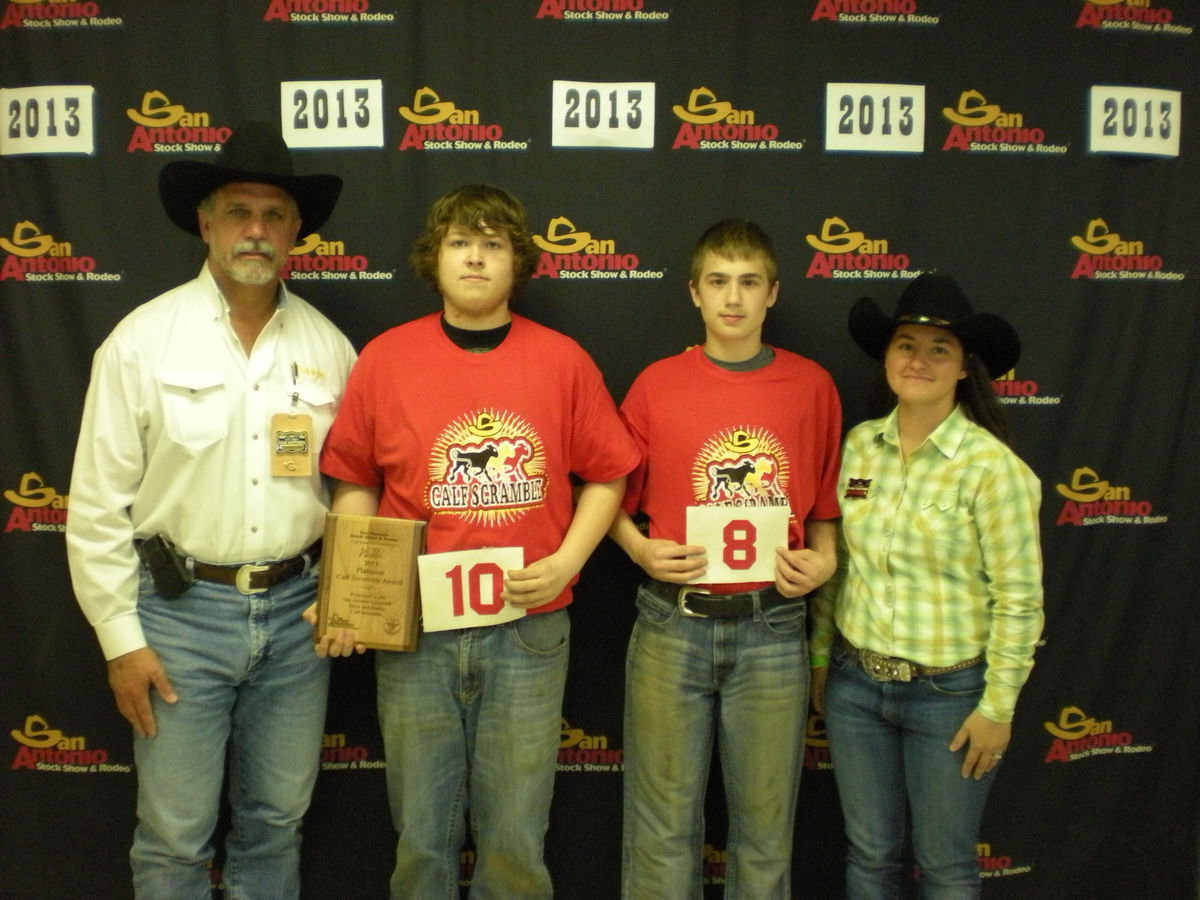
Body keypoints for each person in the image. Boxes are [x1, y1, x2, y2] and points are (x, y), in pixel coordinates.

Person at [314, 183, 640, 898]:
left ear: (516, 263)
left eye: (493, 244)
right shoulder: (386, 359)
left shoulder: (563, 361)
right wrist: (353, 587)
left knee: (516, 840)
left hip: (529, 627)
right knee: (421, 837)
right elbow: (356, 480)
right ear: (436, 258)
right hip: (418, 628)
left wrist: (565, 562)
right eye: (461, 242)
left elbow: (609, 475)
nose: (475, 258)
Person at [64, 121, 355, 899]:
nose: (255, 229)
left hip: (298, 620)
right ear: (205, 223)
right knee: (173, 836)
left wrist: (345, 592)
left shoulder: (332, 351)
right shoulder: (141, 343)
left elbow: (354, 492)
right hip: (177, 617)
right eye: (237, 211)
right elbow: (95, 507)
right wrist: (120, 640)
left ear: (297, 232)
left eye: (274, 214)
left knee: (276, 822)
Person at [611, 219, 843, 898]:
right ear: (694, 293)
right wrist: (639, 547)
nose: (732, 299)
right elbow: (608, 499)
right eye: (718, 282)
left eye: (748, 283)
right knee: (661, 829)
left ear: (773, 293)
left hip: (773, 628)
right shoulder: (656, 385)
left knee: (765, 834)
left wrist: (824, 562)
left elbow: (826, 511)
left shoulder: (813, 387)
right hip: (670, 623)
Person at [810, 272, 1044, 899]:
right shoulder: (859, 448)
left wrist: (998, 708)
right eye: (906, 344)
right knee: (869, 859)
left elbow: (1019, 601)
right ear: (886, 356)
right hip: (856, 688)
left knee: (944, 867)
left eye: (939, 348)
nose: (919, 360)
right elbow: (841, 567)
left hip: (950, 695)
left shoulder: (994, 470)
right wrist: (821, 662)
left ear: (966, 367)